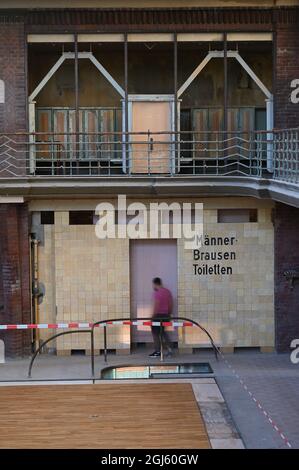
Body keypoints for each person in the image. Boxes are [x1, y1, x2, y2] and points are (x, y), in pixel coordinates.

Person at [149, 277, 173, 358]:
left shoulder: (157, 293)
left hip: (158, 315)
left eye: (153, 285)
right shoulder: (167, 292)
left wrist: (152, 316)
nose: (153, 286)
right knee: (163, 332)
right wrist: (169, 313)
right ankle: (169, 349)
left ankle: (157, 351)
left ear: (155, 284)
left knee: (155, 333)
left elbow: (156, 305)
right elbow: (170, 304)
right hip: (166, 315)